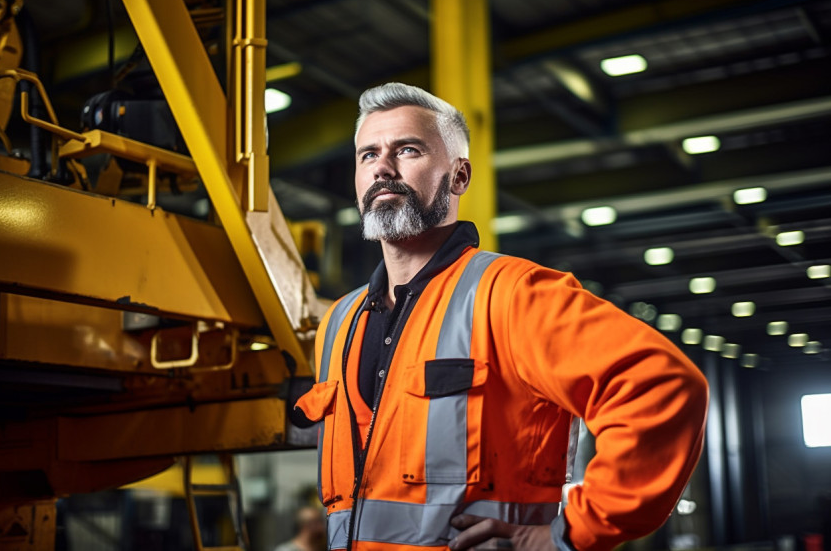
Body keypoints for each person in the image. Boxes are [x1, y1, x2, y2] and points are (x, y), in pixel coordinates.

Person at [295, 82, 709, 551]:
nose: (383, 168)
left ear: (459, 176)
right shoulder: (338, 323)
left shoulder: (512, 294)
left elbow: (664, 386)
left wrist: (569, 534)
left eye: (406, 150)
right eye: (368, 155)